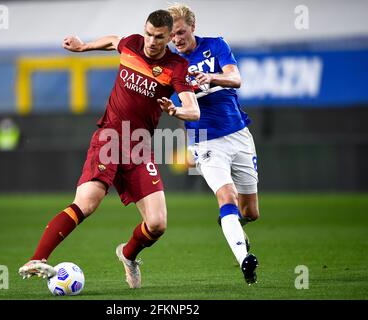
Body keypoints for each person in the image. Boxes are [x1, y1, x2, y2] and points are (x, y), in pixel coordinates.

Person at [18, 9, 199, 289]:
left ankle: (128, 255)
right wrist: (83, 47)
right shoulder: (133, 44)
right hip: (110, 137)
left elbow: (194, 110)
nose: (151, 41)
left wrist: (176, 109)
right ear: (145, 30)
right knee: (87, 202)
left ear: (168, 38)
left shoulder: (176, 67)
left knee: (157, 224)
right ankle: (37, 258)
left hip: (140, 146)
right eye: (149, 33)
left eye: (159, 37)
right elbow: (113, 40)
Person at [167, 4, 260, 284]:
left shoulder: (216, 45)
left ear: (193, 27)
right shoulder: (171, 66)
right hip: (205, 140)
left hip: (238, 134)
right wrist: (175, 110)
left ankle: (230, 222)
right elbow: (181, 106)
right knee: (226, 196)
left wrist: (211, 78)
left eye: (181, 32)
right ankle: (244, 260)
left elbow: (236, 79)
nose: (177, 39)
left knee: (251, 213)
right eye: (172, 35)